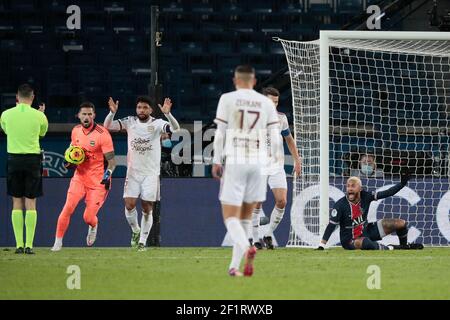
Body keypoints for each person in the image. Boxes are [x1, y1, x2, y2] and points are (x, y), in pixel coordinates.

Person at [212, 65, 281, 276]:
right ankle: (233, 267)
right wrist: (274, 159)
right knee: (245, 217)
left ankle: (248, 247)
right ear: (254, 81)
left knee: (230, 216)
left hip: (236, 159)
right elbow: (275, 136)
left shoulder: (227, 98)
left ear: (235, 80)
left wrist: (216, 160)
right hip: (259, 162)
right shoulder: (265, 102)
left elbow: (220, 133)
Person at [104, 96, 180, 251]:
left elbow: (176, 129)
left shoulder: (158, 123)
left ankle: (142, 242)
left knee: (146, 207)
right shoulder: (130, 121)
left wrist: (168, 114)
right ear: (136, 109)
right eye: (139, 107)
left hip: (151, 174)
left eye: (145, 108)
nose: (142, 110)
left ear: (150, 110)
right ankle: (136, 230)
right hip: (133, 172)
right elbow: (108, 126)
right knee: (129, 204)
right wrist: (112, 113)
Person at [51, 102, 116, 251]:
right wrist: (69, 162)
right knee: (67, 208)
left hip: (98, 181)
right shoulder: (75, 131)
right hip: (79, 178)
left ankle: (94, 225)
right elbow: (72, 153)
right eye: (84, 114)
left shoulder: (102, 134)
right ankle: (57, 243)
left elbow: (112, 162)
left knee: (87, 217)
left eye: (89, 114)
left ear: (94, 115)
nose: (86, 117)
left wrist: (107, 176)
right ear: (78, 116)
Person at [317, 170, 423, 251]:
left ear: (360, 189)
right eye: (348, 186)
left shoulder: (366, 196)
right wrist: (322, 245)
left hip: (367, 231)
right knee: (365, 243)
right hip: (350, 240)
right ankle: (393, 248)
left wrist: (402, 184)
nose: (349, 189)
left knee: (401, 223)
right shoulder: (340, 205)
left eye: (353, 186)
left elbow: (387, 193)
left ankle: (404, 246)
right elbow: (331, 225)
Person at [252, 87, 302, 250]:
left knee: (282, 201)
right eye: (270, 102)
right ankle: (255, 238)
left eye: (276, 102)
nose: (273, 105)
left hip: (276, 166)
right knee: (257, 202)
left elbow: (289, 139)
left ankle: (267, 234)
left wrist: (297, 160)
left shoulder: (281, 118)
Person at [0, 84, 48, 254]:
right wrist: (40, 114)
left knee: (16, 201)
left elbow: (6, 130)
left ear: (17, 97)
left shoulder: (5, 114)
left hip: (13, 159)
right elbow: (42, 134)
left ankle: (19, 245)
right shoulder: (39, 116)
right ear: (32, 97)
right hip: (32, 160)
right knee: (31, 202)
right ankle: (29, 245)